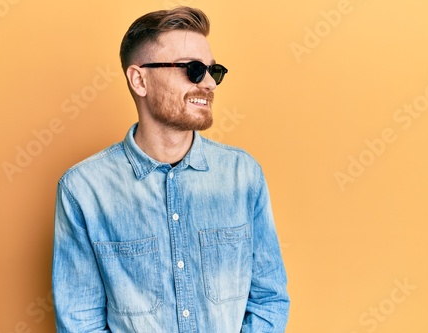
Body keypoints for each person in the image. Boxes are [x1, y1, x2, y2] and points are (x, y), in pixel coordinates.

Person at [52, 6, 290, 333]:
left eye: (213, 70)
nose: (209, 83)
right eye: (192, 69)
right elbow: (80, 321)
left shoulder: (243, 176)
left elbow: (269, 299)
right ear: (139, 79)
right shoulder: (83, 189)